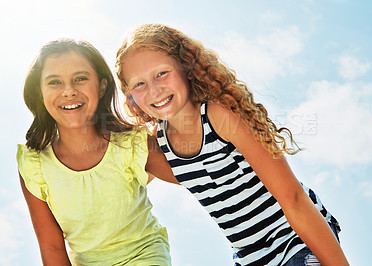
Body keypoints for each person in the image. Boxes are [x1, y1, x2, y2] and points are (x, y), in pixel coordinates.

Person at [115, 24, 350, 266]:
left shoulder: (220, 115)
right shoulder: (158, 147)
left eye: (161, 73)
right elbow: (113, 175)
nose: (154, 90)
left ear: (186, 67)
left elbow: (294, 198)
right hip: (250, 258)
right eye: (139, 84)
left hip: (294, 238)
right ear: (130, 96)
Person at [17, 38, 172, 266]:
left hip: (144, 256)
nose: (69, 91)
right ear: (39, 93)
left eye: (80, 79)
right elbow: (51, 248)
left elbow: (192, 176)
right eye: (55, 82)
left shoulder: (132, 144)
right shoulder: (34, 166)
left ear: (101, 86)